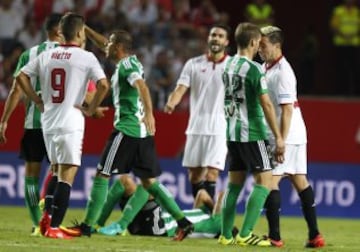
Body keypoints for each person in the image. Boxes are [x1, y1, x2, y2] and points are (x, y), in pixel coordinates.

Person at [66, 26, 193, 241]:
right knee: (149, 182)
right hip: (142, 134)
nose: (106, 44)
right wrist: (85, 29)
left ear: (119, 47)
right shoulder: (128, 62)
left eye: (111, 42)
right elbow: (103, 43)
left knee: (102, 175)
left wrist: (151, 114)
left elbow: (142, 86)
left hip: (127, 130)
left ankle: (87, 227)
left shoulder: (126, 65)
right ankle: (184, 223)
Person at [16, 12, 110, 239]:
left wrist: (37, 100)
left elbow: (20, 76)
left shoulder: (47, 55)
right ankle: (54, 227)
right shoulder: (86, 57)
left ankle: (46, 221)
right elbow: (104, 86)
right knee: (67, 175)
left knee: (57, 172)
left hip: (48, 121)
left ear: (61, 33)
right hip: (71, 121)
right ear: (80, 33)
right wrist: (90, 108)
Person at [217, 22, 285, 247]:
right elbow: (266, 104)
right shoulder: (254, 69)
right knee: (265, 182)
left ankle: (226, 235)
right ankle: (245, 234)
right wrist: (279, 136)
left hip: (232, 132)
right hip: (252, 133)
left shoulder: (227, 65)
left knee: (234, 185)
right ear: (254, 42)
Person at [258, 25, 325, 248]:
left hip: (287, 133)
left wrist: (280, 140)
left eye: (263, 44)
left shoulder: (283, 72)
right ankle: (315, 235)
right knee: (299, 179)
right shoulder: (267, 67)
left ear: (277, 45)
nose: (259, 47)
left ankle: (274, 237)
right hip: (293, 132)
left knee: (269, 181)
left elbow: (287, 109)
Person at [0, 13, 63, 237]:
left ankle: (38, 224)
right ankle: (51, 219)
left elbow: (16, 89)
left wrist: (4, 120)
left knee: (31, 176)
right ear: (59, 30)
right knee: (60, 172)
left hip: (34, 123)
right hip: (59, 124)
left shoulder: (29, 54)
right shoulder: (70, 55)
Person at [164, 24, 230, 202]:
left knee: (212, 173)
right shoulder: (193, 64)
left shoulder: (232, 66)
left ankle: (208, 219)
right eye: (213, 35)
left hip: (219, 128)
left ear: (226, 41)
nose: (216, 38)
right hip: (195, 127)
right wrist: (172, 102)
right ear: (208, 39)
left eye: (220, 36)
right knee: (194, 175)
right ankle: (205, 213)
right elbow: (180, 88)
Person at [93, 175, 232, 239]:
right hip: (151, 220)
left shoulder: (218, 224)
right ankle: (98, 224)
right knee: (125, 181)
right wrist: (211, 208)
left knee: (147, 187)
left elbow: (223, 194)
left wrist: (216, 211)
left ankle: (121, 226)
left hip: (160, 227)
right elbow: (202, 194)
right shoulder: (202, 213)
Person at [329, 0, 359, 95]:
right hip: (341, 44)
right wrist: (343, 35)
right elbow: (333, 27)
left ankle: (355, 92)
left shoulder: (357, 11)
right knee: (341, 68)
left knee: (355, 68)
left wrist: (353, 35)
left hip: (354, 44)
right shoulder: (339, 11)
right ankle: (341, 91)